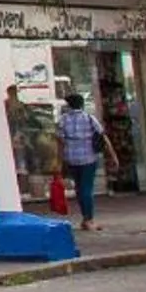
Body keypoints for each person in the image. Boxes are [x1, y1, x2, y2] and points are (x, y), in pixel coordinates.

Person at [56, 91, 116, 230]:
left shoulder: (63, 120)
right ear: (82, 104)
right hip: (88, 157)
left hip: (71, 158)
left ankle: (85, 218)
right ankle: (89, 219)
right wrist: (113, 155)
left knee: (79, 187)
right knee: (87, 188)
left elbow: (59, 142)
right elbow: (103, 137)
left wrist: (59, 162)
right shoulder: (89, 118)